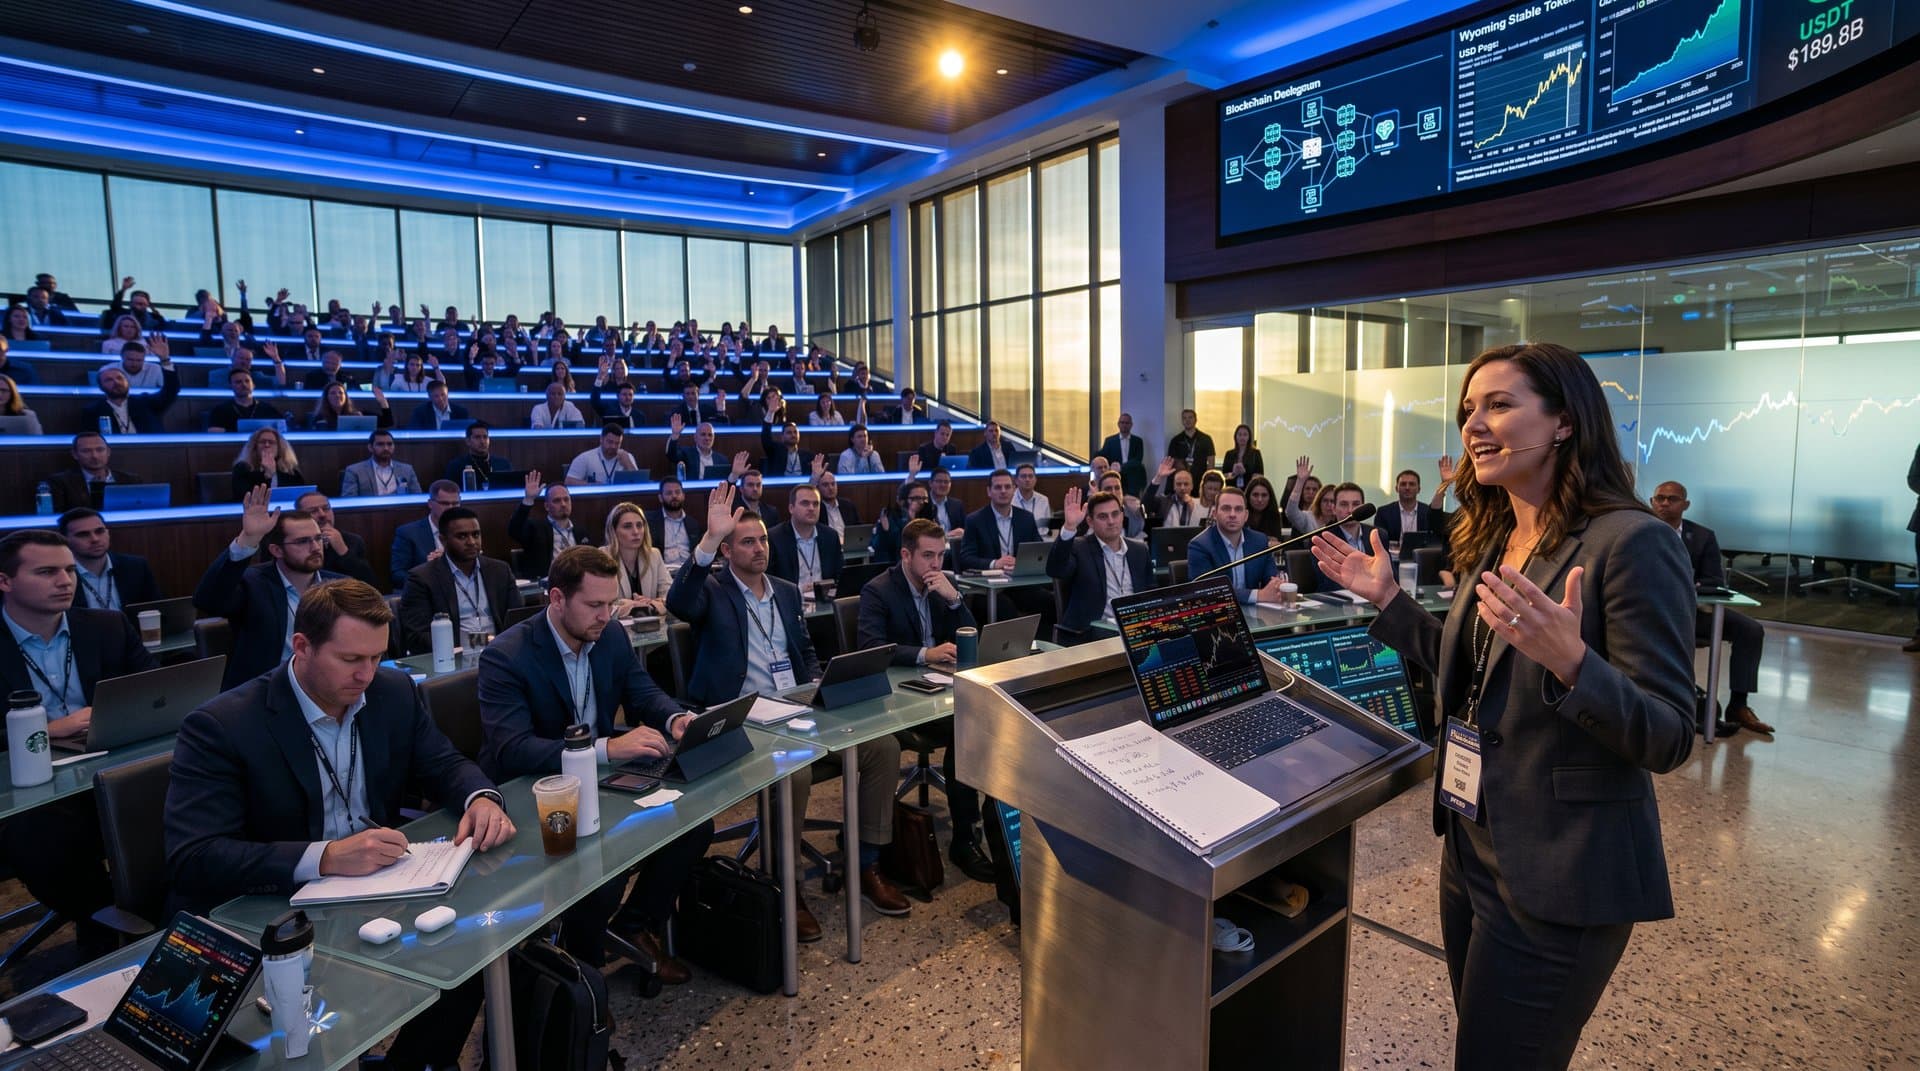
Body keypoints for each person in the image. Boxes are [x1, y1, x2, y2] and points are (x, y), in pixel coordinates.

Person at [1310, 341, 1695, 1070]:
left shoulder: (1632, 542)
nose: (1475, 425)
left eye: (1500, 404)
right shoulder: (1499, 536)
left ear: (1564, 421)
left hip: (1560, 870)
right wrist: (1387, 600)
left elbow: (1671, 734)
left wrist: (1573, 663)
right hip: (1473, 848)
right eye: (1468, 410)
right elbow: (1479, 672)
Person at [166, 580, 513, 1070]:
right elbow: (194, 856)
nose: (366, 674)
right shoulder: (223, 725)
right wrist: (325, 857)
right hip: (275, 910)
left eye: (376, 657)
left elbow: (443, 764)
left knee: (474, 956)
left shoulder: (393, 692)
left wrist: (481, 797)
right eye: (351, 659)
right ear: (302, 646)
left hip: (378, 889)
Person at [669, 487, 910, 934]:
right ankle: (788, 885)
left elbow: (804, 650)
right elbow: (678, 603)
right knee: (793, 774)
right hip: (741, 717)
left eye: (762, 539)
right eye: (746, 542)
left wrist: (817, 684)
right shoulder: (712, 591)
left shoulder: (784, 590)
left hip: (795, 708)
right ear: (726, 551)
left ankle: (866, 862)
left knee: (883, 747)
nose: (759, 548)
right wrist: (707, 541)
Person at [478, 547, 709, 973]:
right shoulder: (507, 656)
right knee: (603, 872)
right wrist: (605, 749)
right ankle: (578, 974)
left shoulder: (610, 635)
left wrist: (675, 717)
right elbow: (513, 749)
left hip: (600, 784)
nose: (606, 616)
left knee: (692, 826)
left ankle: (635, 926)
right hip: (535, 793)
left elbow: (641, 690)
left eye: (611, 603)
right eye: (594, 605)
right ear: (557, 599)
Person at [0, 530, 154, 957]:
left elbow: (153, 690)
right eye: (46, 572)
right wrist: (46, 730)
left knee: (174, 792)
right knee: (40, 831)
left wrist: (114, 718)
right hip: (25, 788)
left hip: (106, 763)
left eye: (69, 570)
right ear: (5, 581)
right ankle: (104, 921)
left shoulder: (106, 625)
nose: (65, 581)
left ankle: (154, 913)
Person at [854, 516, 993, 881]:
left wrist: (954, 600)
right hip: (895, 700)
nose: (936, 564)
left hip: (939, 691)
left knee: (980, 725)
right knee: (964, 729)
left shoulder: (942, 585)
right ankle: (963, 838)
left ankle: (978, 832)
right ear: (906, 555)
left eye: (941, 555)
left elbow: (971, 637)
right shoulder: (878, 590)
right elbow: (871, 647)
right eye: (928, 556)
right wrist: (924, 654)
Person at [1648, 481, 1774, 736]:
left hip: (1693, 613)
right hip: (1650, 614)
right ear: (1652, 502)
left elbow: (1714, 580)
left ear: (1686, 505)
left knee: (1751, 630)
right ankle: (1678, 701)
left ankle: (1738, 706)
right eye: (1660, 498)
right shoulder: (1639, 530)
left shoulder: (1702, 536)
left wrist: (1691, 585)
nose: (1665, 503)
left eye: (1672, 499)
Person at [194, 487, 346, 689]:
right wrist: (248, 539)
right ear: (277, 550)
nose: (315, 548)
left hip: (327, 685)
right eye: (302, 541)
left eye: (318, 539)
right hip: (267, 691)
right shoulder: (253, 584)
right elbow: (207, 600)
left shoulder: (340, 586)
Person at [398, 507, 517, 653]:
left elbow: (518, 620)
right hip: (454, 656)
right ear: (443, 540)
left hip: (501, 651)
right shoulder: (422, 578)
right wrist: (478, 642)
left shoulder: (500, 570)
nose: (472, 542)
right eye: (462, 536)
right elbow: (418, 637)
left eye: (476, 534)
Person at [1048, 489, 1154, 642]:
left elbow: (1151, 593)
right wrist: (1069, 528)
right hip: (1092, 634)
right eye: (1103, 516)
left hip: (1135, 630)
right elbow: (1056, 570)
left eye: (1115, 514)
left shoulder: (1139, 550)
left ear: (1122, 515)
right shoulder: (1079, 548)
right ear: (1090, 522)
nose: (1111, 521)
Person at [1187, 486, 1288, 606]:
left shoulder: (1259, 541)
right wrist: (1258, 595)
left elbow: (1271, 578)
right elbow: (1208, 591)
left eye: (1238, 509)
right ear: (1214, 514)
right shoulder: (1200, 545)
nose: (1232, 514)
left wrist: (1277, 586)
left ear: (1246, 515)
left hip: (1255, 612)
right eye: (1226, 508)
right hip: (1219, 612)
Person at [58, 508, 162, 612]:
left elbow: (156, 610)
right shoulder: (60, 575)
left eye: (99, 531)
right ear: (65, 540)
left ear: (107, 533)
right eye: (83, 534)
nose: (95, 539)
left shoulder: (135, 567)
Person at [83, 338, 180, 434]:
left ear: (127, 382)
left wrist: (165, 360)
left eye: (119, 378)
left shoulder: (146, 403)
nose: (116, 382)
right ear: (101, 387)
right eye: (109, 380)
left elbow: (171, 391)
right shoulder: (93, 411)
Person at [511, 472, 596, 579]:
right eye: (557, 501)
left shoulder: (581, 532)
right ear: (547, 506)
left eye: (566, 499)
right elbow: (514, 529)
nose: (563, 504)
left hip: (577, 582)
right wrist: (529, 499)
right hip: (548, 584)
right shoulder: (535, 528)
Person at [958, 469, 1041, 571]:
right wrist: (994, 563)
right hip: (989, 578)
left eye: (1007, 487)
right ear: (989, 491)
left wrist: (1020, 562)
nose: (1003, 491)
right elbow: (966, 558)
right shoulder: (974, 520)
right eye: (998, 487)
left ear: (1014, 490)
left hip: (1020, 576)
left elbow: (1039, 551)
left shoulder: (1027, 518)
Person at [292, 491, 380, 587]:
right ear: (300, 517)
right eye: (313, 511)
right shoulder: (295, 545)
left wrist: (343, 552)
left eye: (326, 508)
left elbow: (369, 584)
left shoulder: (352, 540)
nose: (322, 514)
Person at [767, 483, 843, 592]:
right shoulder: (774, 538)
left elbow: (839, 576)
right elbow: (769, 581)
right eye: (805, 503)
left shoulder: (830, 536)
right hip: (791, 599)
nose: (811, 508)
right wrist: (799, 590)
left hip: (824, 598)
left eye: (816, 504)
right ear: (791, 508)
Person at [43, 432, 142, 513]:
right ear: (75, 454)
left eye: (100, 450)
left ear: (108, 452)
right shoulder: (59, 483)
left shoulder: (131, 480)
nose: (95, 456)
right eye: (86, 451)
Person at [391, 480, 461, 590]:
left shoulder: (466, 531)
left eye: (455, 503)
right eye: (445, 504)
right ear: (430, 504)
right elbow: (397, 575)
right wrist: (428, 570)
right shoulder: (407, 533)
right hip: (426, 592)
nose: (451, 508)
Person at [602, 502, 668, 615]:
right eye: (627, 526)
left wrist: (651, 603)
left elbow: (669, 595)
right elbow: (602, 604)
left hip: (650, 621)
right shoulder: (603, 557)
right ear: (613, 531)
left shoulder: (654, 555)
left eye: (639, 525)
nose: (636, 532)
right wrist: (632, 606)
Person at [1307, 482, 1375, 591]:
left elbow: (1391, 577)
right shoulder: (1321, 540)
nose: (1350, 510)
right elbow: (1327, 583)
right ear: (1334, 509)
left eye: (1356, 504)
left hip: (1374, 596)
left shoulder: (1377, 535)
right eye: (1344, 504)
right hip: (1340, 598)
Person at [1375, 468, 1449, 547]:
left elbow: (1436, 538)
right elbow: (1380, 541)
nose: (1407, 488)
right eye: (1403, 484)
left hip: (1422, 553)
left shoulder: (1428, 512)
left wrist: (1445, 483)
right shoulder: (1384, 512)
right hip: (1392, 554)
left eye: (1412, 484)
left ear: (1419, 489)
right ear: (1396, 488)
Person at [339, 428, 423, 498]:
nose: (386, 448)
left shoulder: (407, 470)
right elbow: (349, 500)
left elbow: (417, 497)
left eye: (389, 444)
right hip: (370, 512)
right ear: (370, 447)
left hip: (400, 511)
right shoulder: (354, 471)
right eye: (380, 444)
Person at [230, 425, 305, 500]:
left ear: (279, 448)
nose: (267, 445)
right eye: (262, 442)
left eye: (271, 442)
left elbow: (301, 496)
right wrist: (268, 475)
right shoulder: (242, 468)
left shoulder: (290, 470)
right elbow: (243, 497)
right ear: (254, 447)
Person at [646, 476, 705, 568]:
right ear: (660, 498)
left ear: (683, 496)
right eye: (669, 493)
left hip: (689, 570)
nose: (674, 496)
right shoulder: (650, 522)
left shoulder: (693, 524)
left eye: (677, 492)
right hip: (663, 571)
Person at [205, 366, 284, 432]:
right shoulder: (220, 410)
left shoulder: (267, 409)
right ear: (230, 387)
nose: (244, 384)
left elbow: (282, 429)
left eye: (247, 381)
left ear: (253, 385)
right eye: (238, 382)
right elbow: (213, 431)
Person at [564, 423, 640, 486]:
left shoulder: (626, 457)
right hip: (595, 498)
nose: (613, 446)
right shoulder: (585, 458)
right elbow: (568, 482)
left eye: (617, 443)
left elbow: (639, 483)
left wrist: (628, 463)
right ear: (601, 439)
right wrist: (592, 485)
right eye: (610, 442)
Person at [1142, 456, 1205, 528]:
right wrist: (1158, 477)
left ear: (1192, 486)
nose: (1182, 488)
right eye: (1178, 484)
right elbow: (1144, 505)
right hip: (1167, 535)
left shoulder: (1199, 504)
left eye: (1186, 484)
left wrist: (1193, 511)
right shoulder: (1164, 502)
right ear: (1174, 486)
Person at [443, 421, 511, 488]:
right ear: (468, 441)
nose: (482, 441)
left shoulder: (503, 464)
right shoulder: (456, 466)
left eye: (485, 437)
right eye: (477, 437)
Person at [667, 419, 736, 480]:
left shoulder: (722, 460)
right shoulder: (686, 454)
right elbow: (671, 455)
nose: (707, 438)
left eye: (710, 435)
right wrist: (675, 435)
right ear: (695, 437)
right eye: (703, 434)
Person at [307, 382, 391, 431]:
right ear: (326, 397)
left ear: (346, 396)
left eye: (341, 393)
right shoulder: (319, 418)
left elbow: (387, 422)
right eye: (333, 393)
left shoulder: (357, 414)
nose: (337, 395)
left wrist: (383, 402)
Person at [1167, 408, 1217, 483]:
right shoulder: (1176, 440)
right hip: (1183, 480)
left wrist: (1208, 479)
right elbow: (1172, 462)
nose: (1187, 420)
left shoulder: (1206, 439)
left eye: (1190, 417)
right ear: (1182, 421)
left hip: (1200, 479)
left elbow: (1211, 461)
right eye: (1184, 418)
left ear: (1196, 420)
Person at [1283, 455, 1326, 534]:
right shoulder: (1304, 516)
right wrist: (1300, 481)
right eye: (1307, 489)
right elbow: (1290, 511)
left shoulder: (1324, 514)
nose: (1311, 492)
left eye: (1314, 489)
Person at [405, 378, 470, 430]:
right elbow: (413, 433)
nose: (441, 399)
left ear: (447, 394)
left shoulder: (461, 412)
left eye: (443, 395)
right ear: (430, 397)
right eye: (436, 396)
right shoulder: (420, 412)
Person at [815, 468, 861, 536]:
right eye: (825, 485)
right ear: (818, 488)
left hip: (849, 541)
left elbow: (859, 528)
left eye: (833, 484)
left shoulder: (848, 505)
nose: (830, 488)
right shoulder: (816, 508)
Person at [1012, 462, 1053, 537]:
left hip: (1040, 540)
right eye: (1023, 476)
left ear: (1035, 480)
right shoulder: (1010, 500)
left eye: (1030, 476)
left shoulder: (1043, 500)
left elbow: (1046, 528)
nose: (1027, 479)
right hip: (1017, 540)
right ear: (1016, 480)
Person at [924, 466, 967, 535]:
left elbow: (965, 529)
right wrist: (948, 535)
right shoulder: (923, 504)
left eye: (946, 482)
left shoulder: (957, 505)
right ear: (930, 483)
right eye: (939, 481)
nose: (943, 485)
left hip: (954, 541)